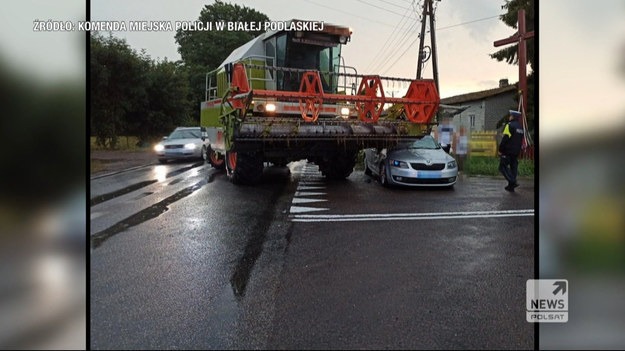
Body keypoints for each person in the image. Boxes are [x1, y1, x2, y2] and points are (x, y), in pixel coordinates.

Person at [498, 110, 524, 191]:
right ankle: (511, 186)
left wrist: (500, 150)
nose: (509, 117)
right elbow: (518, 139)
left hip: (508, 150)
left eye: (510, 115)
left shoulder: (509, 125)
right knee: (513, 167)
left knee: (502, 167)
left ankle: (512, 181)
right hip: (516, 151)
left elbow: (505, 138)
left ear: (513, 117)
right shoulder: (520, 127)